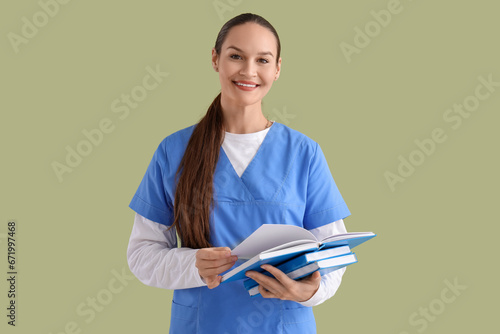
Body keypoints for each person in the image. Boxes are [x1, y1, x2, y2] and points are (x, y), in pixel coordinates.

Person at [127, 13, 351, 334]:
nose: (248, 71)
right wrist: (192, 264)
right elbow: (142, 254)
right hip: (203, 324)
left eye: (262, 60)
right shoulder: (173, 151)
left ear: (277, 69)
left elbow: (334, 249)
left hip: (283, 324)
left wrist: (310, 292)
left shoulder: (304, 152)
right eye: (236, 56)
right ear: (216, 59)